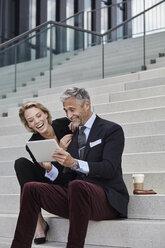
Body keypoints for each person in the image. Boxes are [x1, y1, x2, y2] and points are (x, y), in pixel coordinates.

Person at [11, 87, 129, 248]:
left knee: (77, 185)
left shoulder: (111, 130)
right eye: (65, 110)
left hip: (106, 198)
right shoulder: (71, 136)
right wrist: (50, 168)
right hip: (75, 198)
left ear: (86, 105)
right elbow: (65, 179)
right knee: (31, 188)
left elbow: (109, 168)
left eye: (72, 109)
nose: (68, 116)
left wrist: (74, 163)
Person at [14, 101, 74, 244]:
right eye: (31, 120)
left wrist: (77, 125)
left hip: (72, 176)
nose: (37, 121)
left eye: (39, 115)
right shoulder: (33, 144)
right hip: (53, 179)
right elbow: (52, 176)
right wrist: (60, 150)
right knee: (21, 164)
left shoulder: (65, 124)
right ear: (29, 125)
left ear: (46, 114)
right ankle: (38, 221)